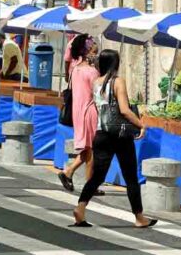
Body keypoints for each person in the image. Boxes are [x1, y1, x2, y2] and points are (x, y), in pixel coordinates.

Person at [73, 49, 157, 229]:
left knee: (97, 176)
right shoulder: (118, 82)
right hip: (119, 135)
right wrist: (141, 125)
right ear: (116, 64)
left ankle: (80, 208)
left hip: (101, 133)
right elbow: (125, 110)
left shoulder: (96, 82)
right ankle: (139, 217)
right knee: (130, 176)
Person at [58, 34, 100, 193]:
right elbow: (98, 94)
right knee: (91, 149)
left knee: (87, 148)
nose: (95, 54)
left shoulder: (75, 70)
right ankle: (88, 183)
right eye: (93, 51)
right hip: (89, 111)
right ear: (87, 52)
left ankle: (70, 173)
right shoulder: (92, 72)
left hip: (78, 111)